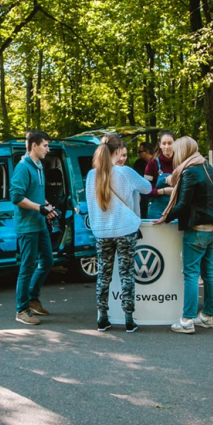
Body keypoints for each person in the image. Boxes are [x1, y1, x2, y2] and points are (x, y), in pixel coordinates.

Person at [86, 133, 152, 333]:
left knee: (103, 275)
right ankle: (129, 319)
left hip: (101, 231)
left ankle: (102, 317)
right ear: (117, 152)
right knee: (126, 275)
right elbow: (148, 188)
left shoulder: (91, 175)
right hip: (125, 230)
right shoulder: (125, 172)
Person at [156, 136, 213, 334]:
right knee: (209, 273)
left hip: (198, 230)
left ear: (183, 151)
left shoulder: (189, 172)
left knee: (191, 274)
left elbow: (183, 204)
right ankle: (207, 316)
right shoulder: (207, 167)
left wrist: (165, 217)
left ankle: (187, 320)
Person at [11, 130, 58, 325]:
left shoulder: (39, 166)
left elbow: (36, 193)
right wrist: (39, 208)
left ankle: (32, 298)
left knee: (47, 261)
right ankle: (21, 310)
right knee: (27, 267)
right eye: (45, 145)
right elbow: (16, 197)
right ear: (34, 146)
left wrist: (46, 206)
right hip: (27, 226)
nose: (48, 149)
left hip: (39, 224)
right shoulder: (23, 167)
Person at [144, 131, 176, 220]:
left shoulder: (181, 162)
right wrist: (163, 191)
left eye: (170, 143)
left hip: (177, 208)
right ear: (160, 145)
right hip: (157, 209)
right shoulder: (152, 163)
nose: (167, 147)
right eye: (164, 143)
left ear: (175, 143)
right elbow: (145, 189)